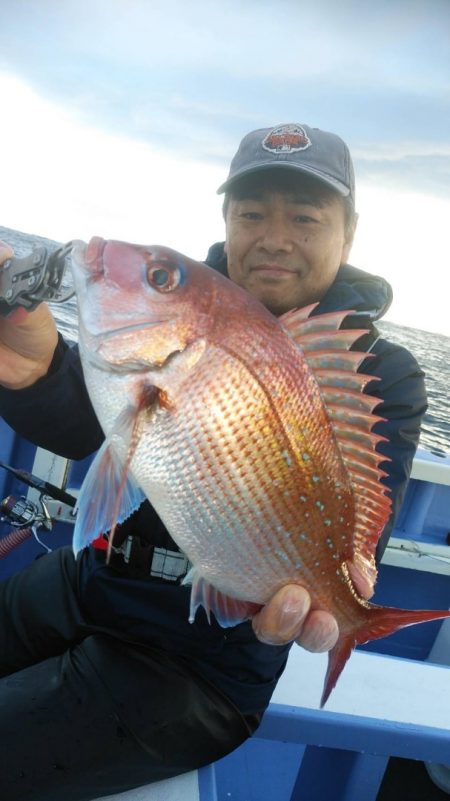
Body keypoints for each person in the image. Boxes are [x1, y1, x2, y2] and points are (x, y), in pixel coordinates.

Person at [0, 122, 427, 800]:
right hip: (90, 580)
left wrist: (349, 578)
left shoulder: (382, 373)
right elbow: (99, 429)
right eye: (252, 213)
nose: (275, 237)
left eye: (306, 217)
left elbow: (360, 517)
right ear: (226, 219)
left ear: (348, 233)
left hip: (197, 665)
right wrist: (34, 372)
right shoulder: (178, 317)